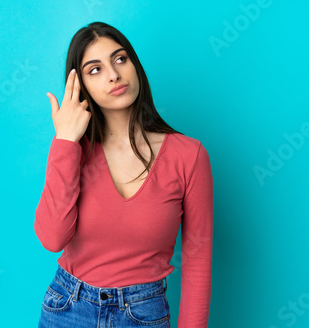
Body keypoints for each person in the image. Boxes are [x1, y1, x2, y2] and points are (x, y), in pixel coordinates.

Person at [35, 21, 214, 327]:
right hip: (67, 309)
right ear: (80, 88)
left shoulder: (189, 155)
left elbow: (197, 261)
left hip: (143, 314)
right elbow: (52, 239)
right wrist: (65, 141)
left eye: (120, 59)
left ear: (135, 65)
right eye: (95, 69)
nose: (114, 74)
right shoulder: (73, 150)